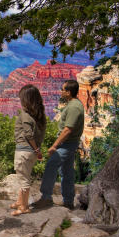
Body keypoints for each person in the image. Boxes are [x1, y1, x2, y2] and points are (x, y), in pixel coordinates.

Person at [33, 79, 84, 209]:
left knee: (51, 165)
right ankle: (68, 201)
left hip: (67, 144)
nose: (60, 92)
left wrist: (55, 145)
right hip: (69, 143)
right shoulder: (74, 104)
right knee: (66, 171)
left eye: (63, 89)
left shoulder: (74, 107)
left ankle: (46, 197)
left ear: (68, 92)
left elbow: (68, 129)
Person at [9, 84, 47, 216]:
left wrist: (36, 150)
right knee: (23, 177)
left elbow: (28, 134)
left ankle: (24, 207)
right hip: (31, 152)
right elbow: (39, 135)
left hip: (24, 151)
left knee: (24, 180)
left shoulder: (25, 115)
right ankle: (20, 201)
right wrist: (37, 150)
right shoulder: (40, 116)